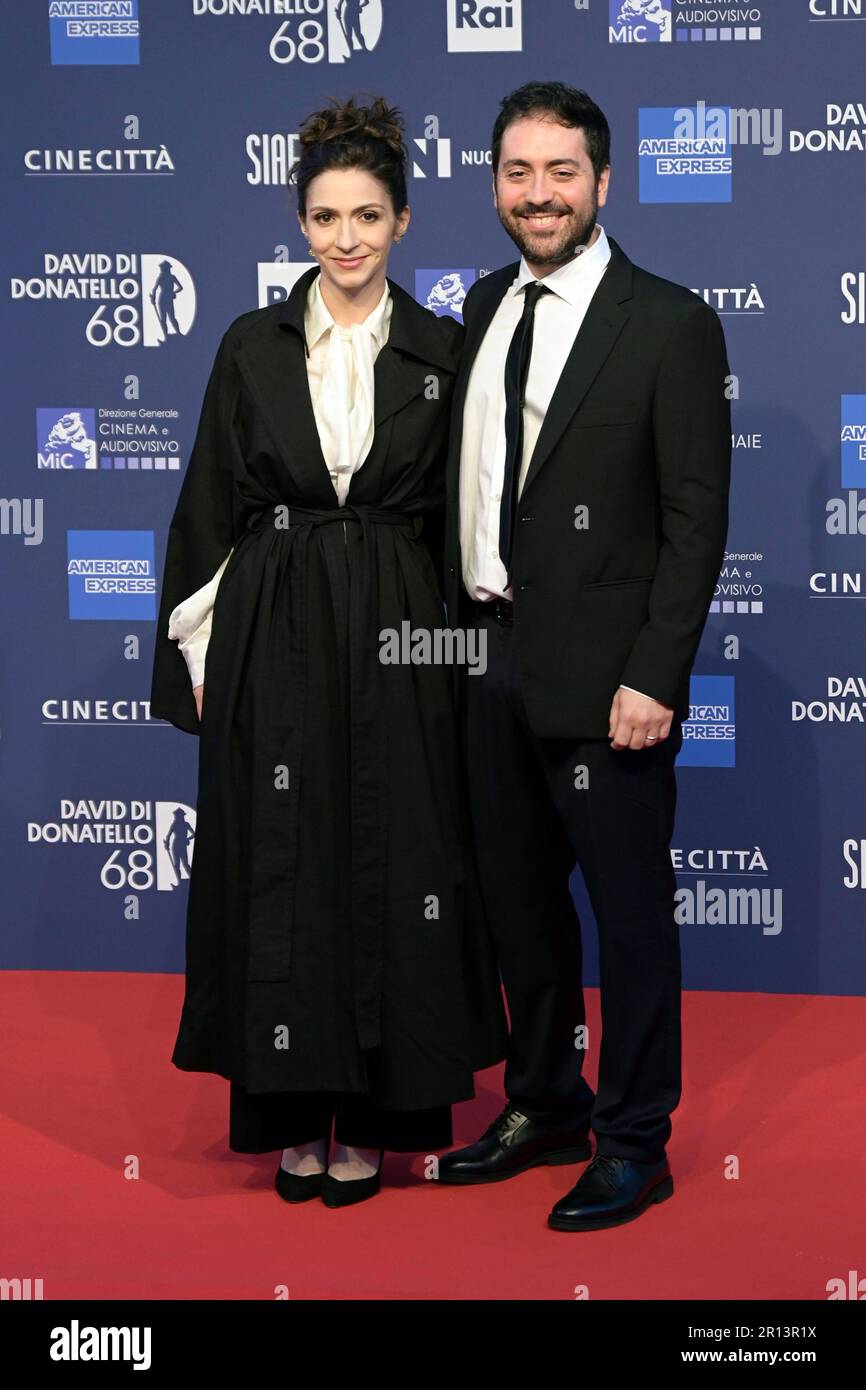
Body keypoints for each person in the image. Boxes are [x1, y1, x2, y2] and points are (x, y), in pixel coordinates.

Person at [149, 95, 507, 1210]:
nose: (344, 238)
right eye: (321, 217)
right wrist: (201, 658)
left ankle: (379, 1123)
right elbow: (209, 505)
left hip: (401, 630)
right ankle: (295, 1121)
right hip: (278, 624)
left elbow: (472, 521)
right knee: (286, 864)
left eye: (365, 215)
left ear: (403, 219)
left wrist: (468, 667)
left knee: (399, 863)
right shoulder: (247, 346)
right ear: (298, 225)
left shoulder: (445, 350)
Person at [438, 81, 731, 1230]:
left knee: (629, 917)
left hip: (610, 685)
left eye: (561, 172)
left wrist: (654, 674)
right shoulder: (478, 307)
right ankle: (543, 1099)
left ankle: (631, 1137)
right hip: (489, 662)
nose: (538, 193)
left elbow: (692, 518)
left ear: (603, 183)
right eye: (518, 171)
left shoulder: (666, 322)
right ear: (495, 184)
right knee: (520, 912)